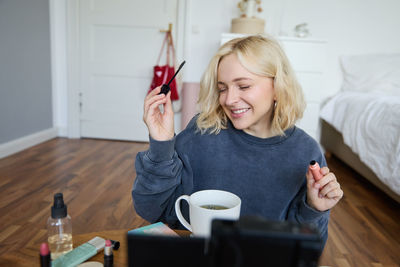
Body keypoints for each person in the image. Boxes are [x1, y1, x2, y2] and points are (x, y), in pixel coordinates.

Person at [132, 35, 343, 246]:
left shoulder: (306, 153)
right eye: (222, 88)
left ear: (278, 87)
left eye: (243, 86)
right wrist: (162, 144)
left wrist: (314, 209)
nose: (229, 99)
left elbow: (306, 246)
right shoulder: (202, 132)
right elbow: (153, 209)